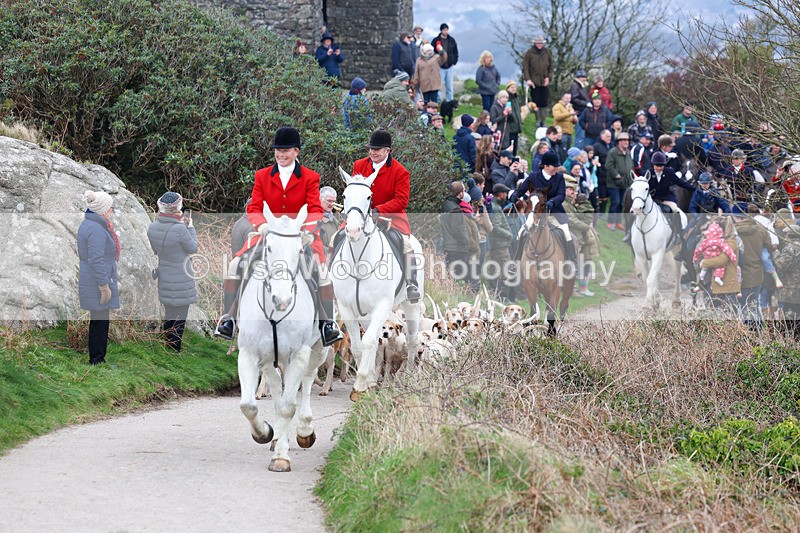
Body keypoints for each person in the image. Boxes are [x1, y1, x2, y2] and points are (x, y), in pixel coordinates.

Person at [214, 126, 342, 346]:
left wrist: (308, 231)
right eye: (278, 150)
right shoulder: (262, 175)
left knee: (322, 274)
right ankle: (229, 319)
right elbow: (254, 207)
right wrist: (261, 225)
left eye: (286, 150)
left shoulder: (310, 177)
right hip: (268, 234)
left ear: (296, 151)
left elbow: (315, 209)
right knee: (235, 265)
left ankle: (327, 324)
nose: (281, 154)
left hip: (300, 237)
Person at [352, 130, 422, 303]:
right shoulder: (359, 165)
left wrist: (379, 210)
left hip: (391, 217)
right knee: (336, 238)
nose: (372, 152)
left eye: (377, 149)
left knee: (406, 244)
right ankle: (331, 279)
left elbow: (401, 200)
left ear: (387, 151)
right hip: (361, 215)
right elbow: (354, 191)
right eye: (371, 149)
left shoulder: (400, 171)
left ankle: (411, 284)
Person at [147, 192, 198, 352]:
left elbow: (156, 250)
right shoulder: (181, 229)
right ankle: (175, 350)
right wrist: (191, 228)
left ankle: (168, 345)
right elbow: (193, 248)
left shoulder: (152, 227)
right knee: (180, 316)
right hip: (182, 278)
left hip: (165, 276)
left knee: (169, 313)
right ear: (178, 207)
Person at [78, 190, 120, 365]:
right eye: (110, 207)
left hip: (92, 278)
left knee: (98, 320)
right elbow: (96, 259)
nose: (111, 210)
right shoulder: (96, 229)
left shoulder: (91, 224)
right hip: (96, 281)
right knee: (100, 322)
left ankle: (97, 358)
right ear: (102, 210)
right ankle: (97, 359)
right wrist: (104, 286)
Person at [513, 151, 577, 265]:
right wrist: (514, 196)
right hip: (535, 214)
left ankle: (572, 262)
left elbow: (561, 195)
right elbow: (521, 190)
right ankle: (515, 262)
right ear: (546, 166)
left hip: (554, 213)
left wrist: (552, 202)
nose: (556, 169)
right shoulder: (533, 177)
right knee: (521, 233)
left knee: (566, 233)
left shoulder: (559, 178)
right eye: (554, 166)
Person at [563, 177, 599, 295]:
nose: (573, 192)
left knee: (584, 262)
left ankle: (582, 288)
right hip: (573, 237)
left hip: (580, 238)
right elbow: (571, 220)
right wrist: (586, 226)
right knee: (572, 264)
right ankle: (572, 289)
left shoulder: (572, 203)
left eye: (574, 190)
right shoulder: (564, 204)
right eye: (570, 189)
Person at [489, 183, 515, 302]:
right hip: (500, 245)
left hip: (497, 245)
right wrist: (509, 234)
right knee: (506, 270)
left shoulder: (494, 206)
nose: (506, 195)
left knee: (496, 270)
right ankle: (504, 297)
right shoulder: (496, 208)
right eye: (505, 193)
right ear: (500, 194)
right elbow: (496, 227)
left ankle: (496, 296)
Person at [440, 180, 472, 275]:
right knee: (459, 277)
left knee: (451, 275)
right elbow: (458, 230)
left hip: (448, 245)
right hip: (456, 249)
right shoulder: (456, 209)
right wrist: (467, 242)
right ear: (461, 193)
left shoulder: (446, 204)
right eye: (464, 191)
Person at [604, 132, 633, 231]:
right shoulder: (613, 152)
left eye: (627, 140)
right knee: (615, 202)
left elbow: (630, 165)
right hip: (614, 183)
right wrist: (616, 175)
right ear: (619, 142)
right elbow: (608, 165)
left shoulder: (628, 152)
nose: (626, 142)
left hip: (625, 183)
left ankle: (618, 222)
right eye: (624, 140)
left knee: (622, 203)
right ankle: (610, 222)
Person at [523, 36, 553, 127]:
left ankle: (543, 121)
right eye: (538, 43)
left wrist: (549, 78)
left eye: (541, 43)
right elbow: (525, 68)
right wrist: (528, 79)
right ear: (535, 43)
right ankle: (537, 120)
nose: (540, 44)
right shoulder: (529, 53)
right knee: (535, 101)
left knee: (544, 102)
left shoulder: (547, 52)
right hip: (534, 82)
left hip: (544, 82)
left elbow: (551, 67)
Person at [431, 23, 459, 103]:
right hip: (440, 66)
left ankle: (450, 101)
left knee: (449, 86)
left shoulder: (451, 40)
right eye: (444, 30)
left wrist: (454, 61)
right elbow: (431, 52)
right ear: (441, 30)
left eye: (447, 30)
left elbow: (455, 52)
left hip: (449, 66)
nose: (446, 32)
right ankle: (439, 101)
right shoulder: (436, 41)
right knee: (439, 85)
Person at [318, 186, 342, 263]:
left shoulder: (337, 219)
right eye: (329, 201)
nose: (331, 204)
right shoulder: (312, 219)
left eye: (333, 201)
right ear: (320, 199)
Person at [569, 70, 591, 148]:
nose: (584, 79)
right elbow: (574, 99)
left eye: (585, 77)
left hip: (583, 112)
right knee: (580, 135)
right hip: (579, 112)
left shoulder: (582, 86)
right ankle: (577, 152)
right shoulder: (575, 86)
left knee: (583, 136)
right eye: (582, 77)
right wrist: (585, 103)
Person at [505, 81, 523, 155]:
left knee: (515, 147)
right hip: (510, 127)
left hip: (516, 127)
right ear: (508, 88)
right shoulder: (507, 99)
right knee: (511, 147)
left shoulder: (515, 98)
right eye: (512, 87)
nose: (514, 89)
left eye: (515, 87)